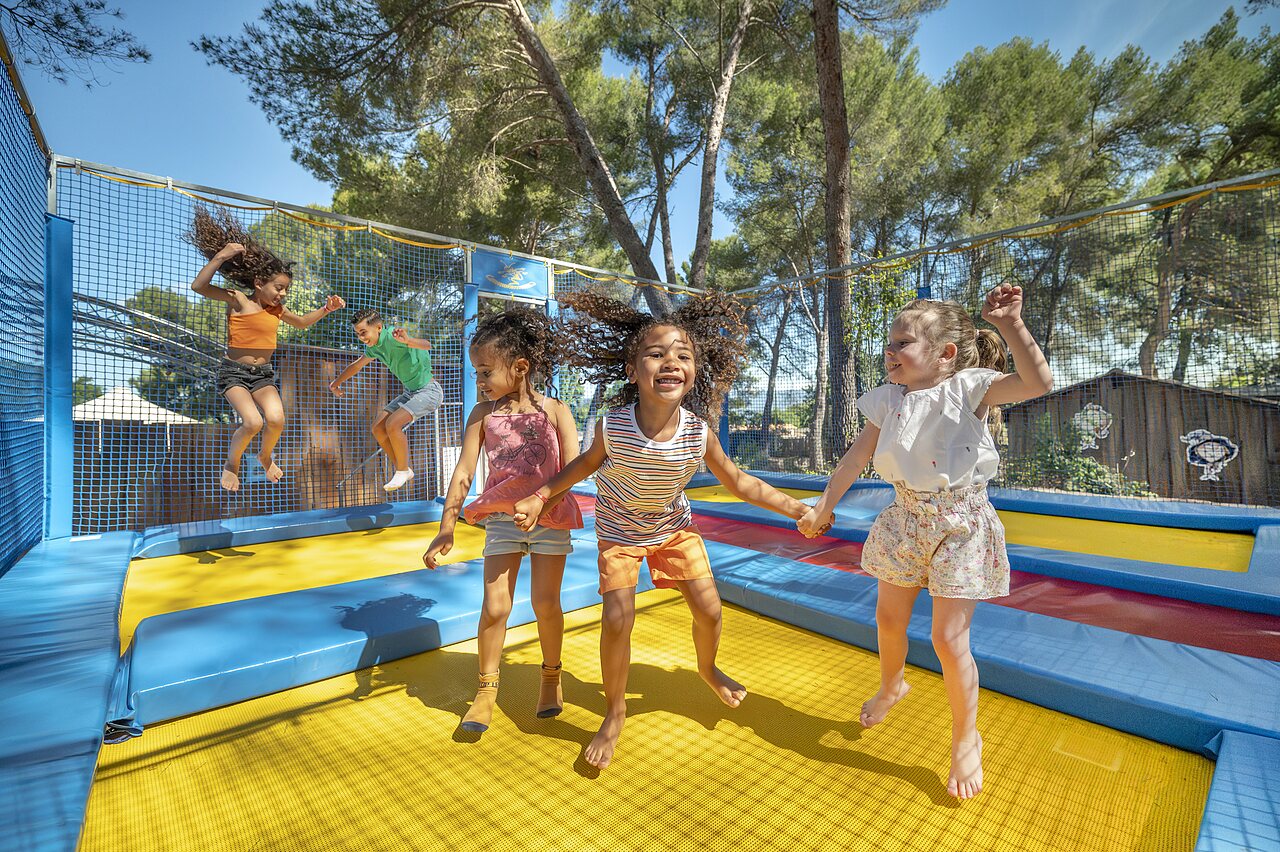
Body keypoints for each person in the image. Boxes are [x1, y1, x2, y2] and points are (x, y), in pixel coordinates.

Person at [512, 290, 815, 770]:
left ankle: (706, 666)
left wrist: (797, 508)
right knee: (616, 621)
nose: (670, 362)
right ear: (634, 371)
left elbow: (740, 483)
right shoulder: (613, 426)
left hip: (674, 530)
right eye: (656, 354)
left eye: (682, 354)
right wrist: (539, 495)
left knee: (711, 611)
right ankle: (614, 711)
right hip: (620, 535)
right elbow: (580, 468)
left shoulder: (698, 432)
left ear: (694, 371)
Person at [797, 284, 1053, 800]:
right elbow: (854, 458)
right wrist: (826, 504)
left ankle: (965, 737)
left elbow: (1038, 382)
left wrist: (1012, 324)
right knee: (888, 619)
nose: (890, 353)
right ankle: (893, 684)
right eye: (890, 344)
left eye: (903, 343)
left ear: (945, 355)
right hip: (905, 519)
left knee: (946, 640)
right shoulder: (888, 399)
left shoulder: (969, 388)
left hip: (959, 523)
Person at [422, 307, 584, 735]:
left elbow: (571, 472)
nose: (479, 380)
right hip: (502, 520)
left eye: (485, 371)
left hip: (549, 519)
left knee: (546, 604)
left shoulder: (555, 411)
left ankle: (551, 676)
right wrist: (447, 526)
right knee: (496, 606)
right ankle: (487, 689)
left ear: (520, 367)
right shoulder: (482, 415)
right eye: (476, 371)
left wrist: (541, 504)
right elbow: (462, 471)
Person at [186, 205, 345, 492]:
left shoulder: (277, 310)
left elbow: (301, 323)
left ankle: (265, 455)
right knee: (252, 422)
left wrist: (326, 308)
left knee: (276, 419)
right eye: (279, 288)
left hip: (262, 375)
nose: (282, 294)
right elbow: (199, 286)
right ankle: (232, 464)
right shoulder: (238, 300)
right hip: (234, 373)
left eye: (286, 290)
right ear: (259, 283)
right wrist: (222, 256)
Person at [329, 309, 445, 492]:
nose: (361, 338)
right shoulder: (373, 348)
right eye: (358, 334)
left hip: (429, 392)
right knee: (377, 428)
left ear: (379, 327)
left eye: (363, 332)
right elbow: (357, 365)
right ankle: (404, 469)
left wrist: (408, 341)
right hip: (411, 392)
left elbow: (427, 345)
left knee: (392, 424)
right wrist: (335, 383)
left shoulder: (392, 336)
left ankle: (400, 470)